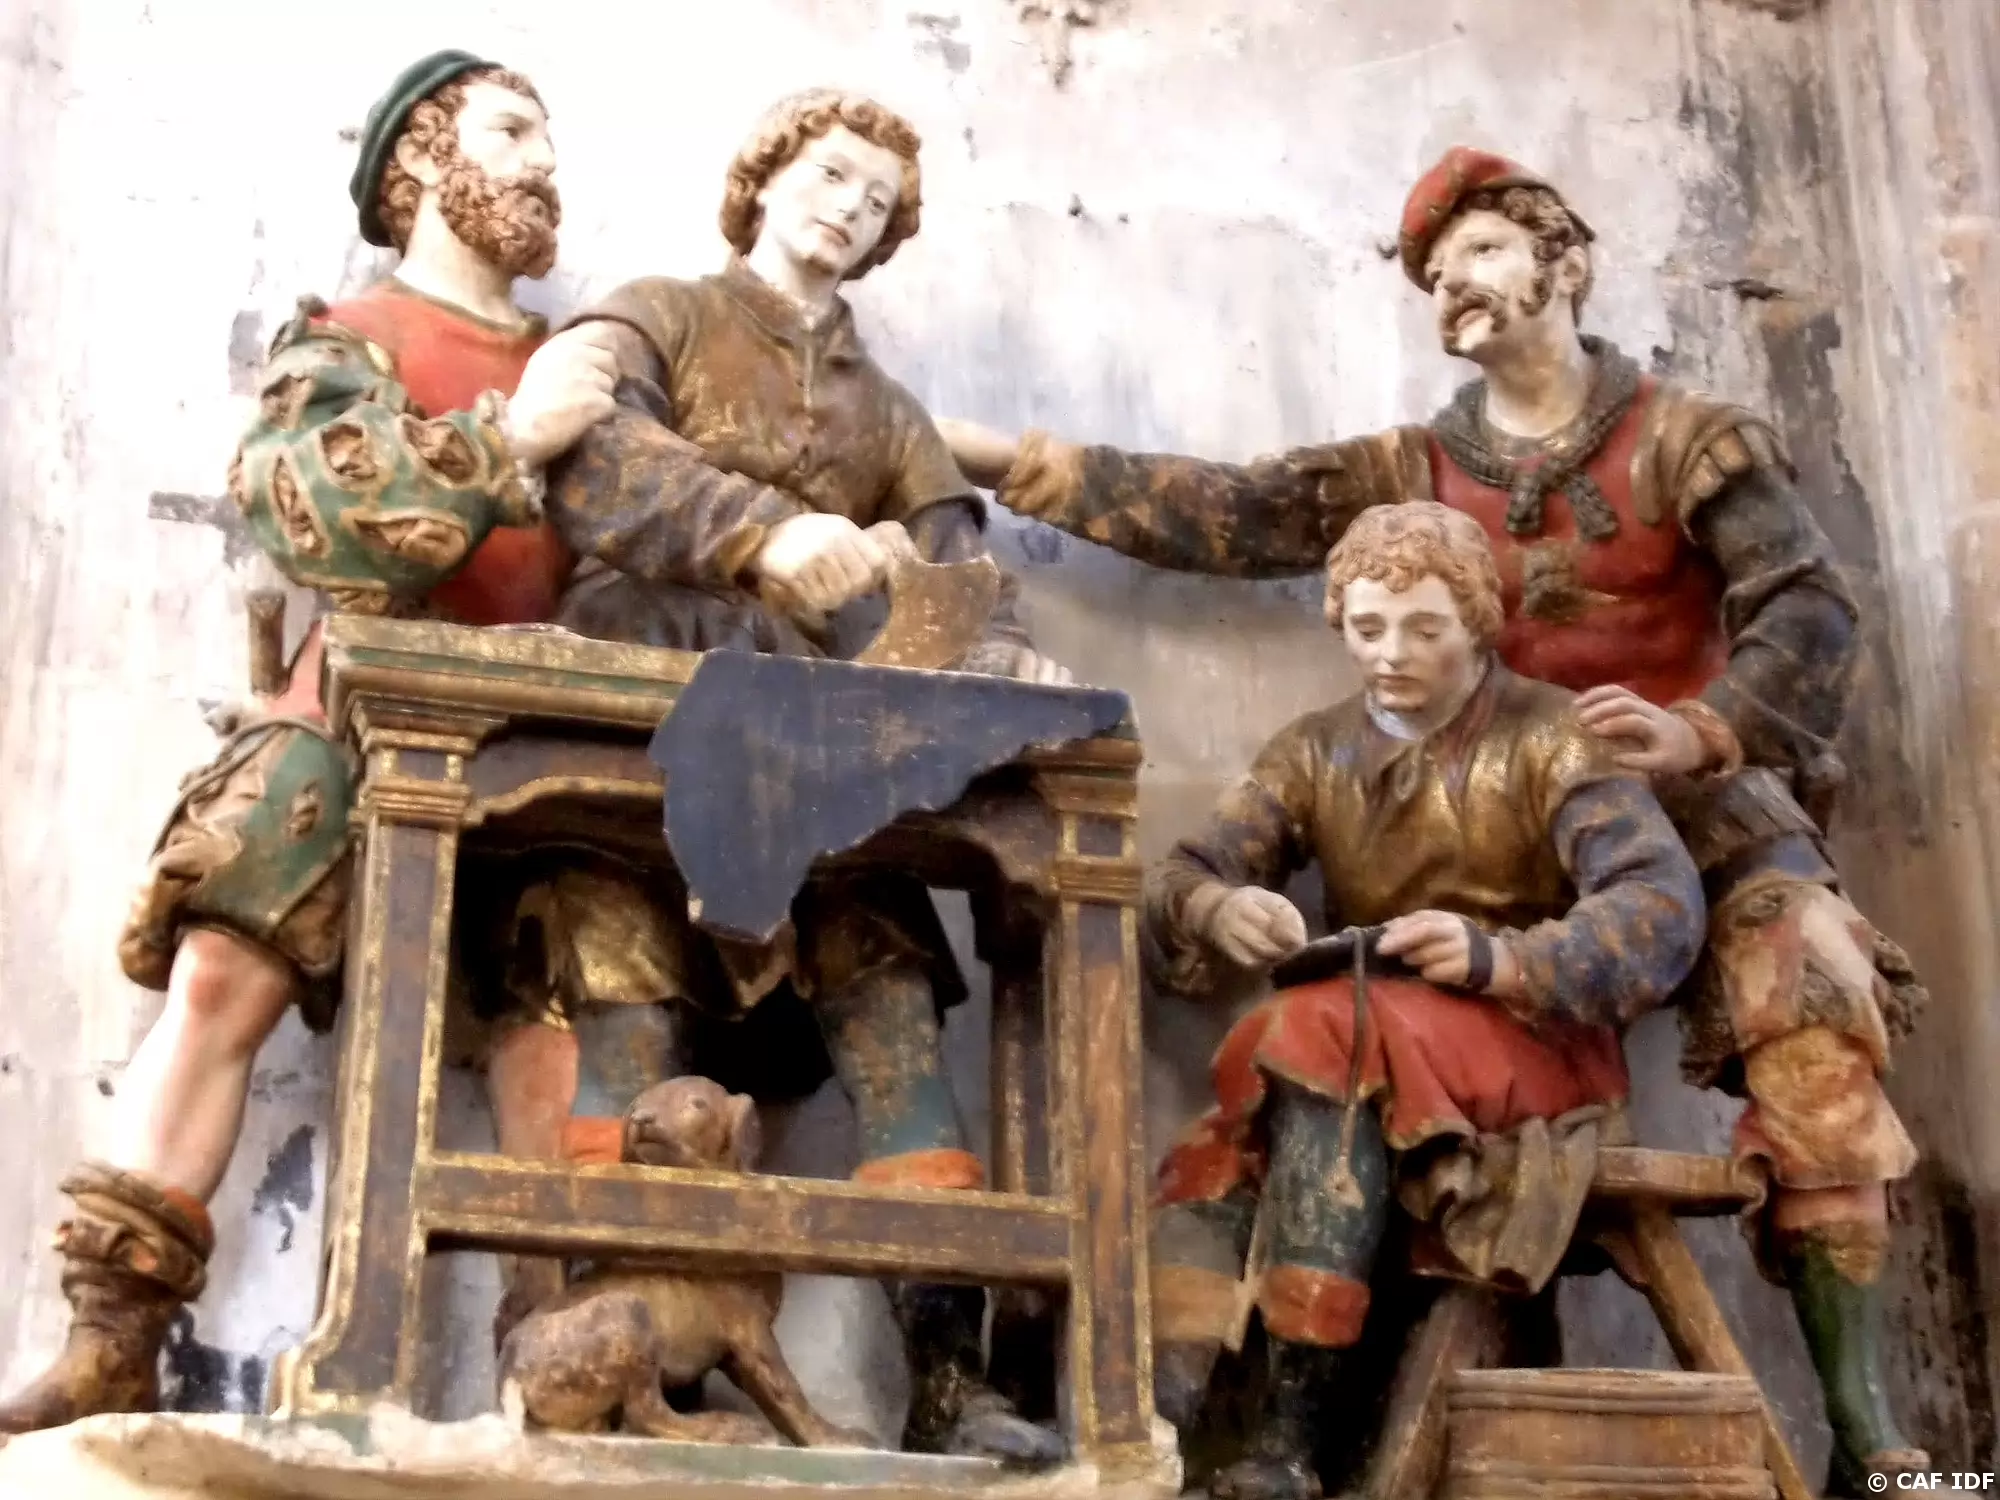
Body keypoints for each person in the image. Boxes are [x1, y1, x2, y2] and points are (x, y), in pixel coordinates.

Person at [941, 148, 1928, 1492]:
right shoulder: (1411, 476)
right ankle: (1217, 1421)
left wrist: (1703, 730)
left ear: (1562, 262)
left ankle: (1875, 1438)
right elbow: (1231, 507)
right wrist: (992, 458)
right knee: (1336, 1059)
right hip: (1501, 833)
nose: (1452, 283)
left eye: (1481, 252)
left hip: (1697, 802)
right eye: (1434, 270)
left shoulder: (1687, 439)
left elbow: (1806, 608)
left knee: (1809, 1003)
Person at [0, 50, 617, 1433]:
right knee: (222, 970)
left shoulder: (590, 359)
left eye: (547, 139)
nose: (542, 163)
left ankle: (560, 1352)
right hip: (348, 708)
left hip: (538, 729)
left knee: (559, 1020)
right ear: (421, 163)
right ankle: (113, 1333)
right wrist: (507, 442)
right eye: (510, 132)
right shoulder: (347, 338)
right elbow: (314, 515)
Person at [534, 89, 1069, 1466]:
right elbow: (583, 451)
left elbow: (958, 577)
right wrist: (762, 533)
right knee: (624, 1003)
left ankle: (947, 1375)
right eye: (830, 175)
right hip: (640, 730)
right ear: (765, 178)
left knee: (893, 995)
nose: (847, 209)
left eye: (876, 203)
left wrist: (1001, 655)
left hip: (820, 763)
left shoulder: (887, 412)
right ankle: (614, 1354)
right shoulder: (657, 312)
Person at [1145, 503, 1703, 1500]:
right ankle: (1173, 1412)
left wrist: (1497, 959)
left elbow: (1659, 908)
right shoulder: (1315, 750)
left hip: (1535, 1044)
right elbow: (1183, 873)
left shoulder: (1554, 736)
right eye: (1367, 628)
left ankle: (1293, 1434)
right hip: (1358, 1043)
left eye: (1423, 629)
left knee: (1309, 1032)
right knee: (1261, 1083)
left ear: (1477, 625)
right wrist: (1217, 907)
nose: (1390, 654)